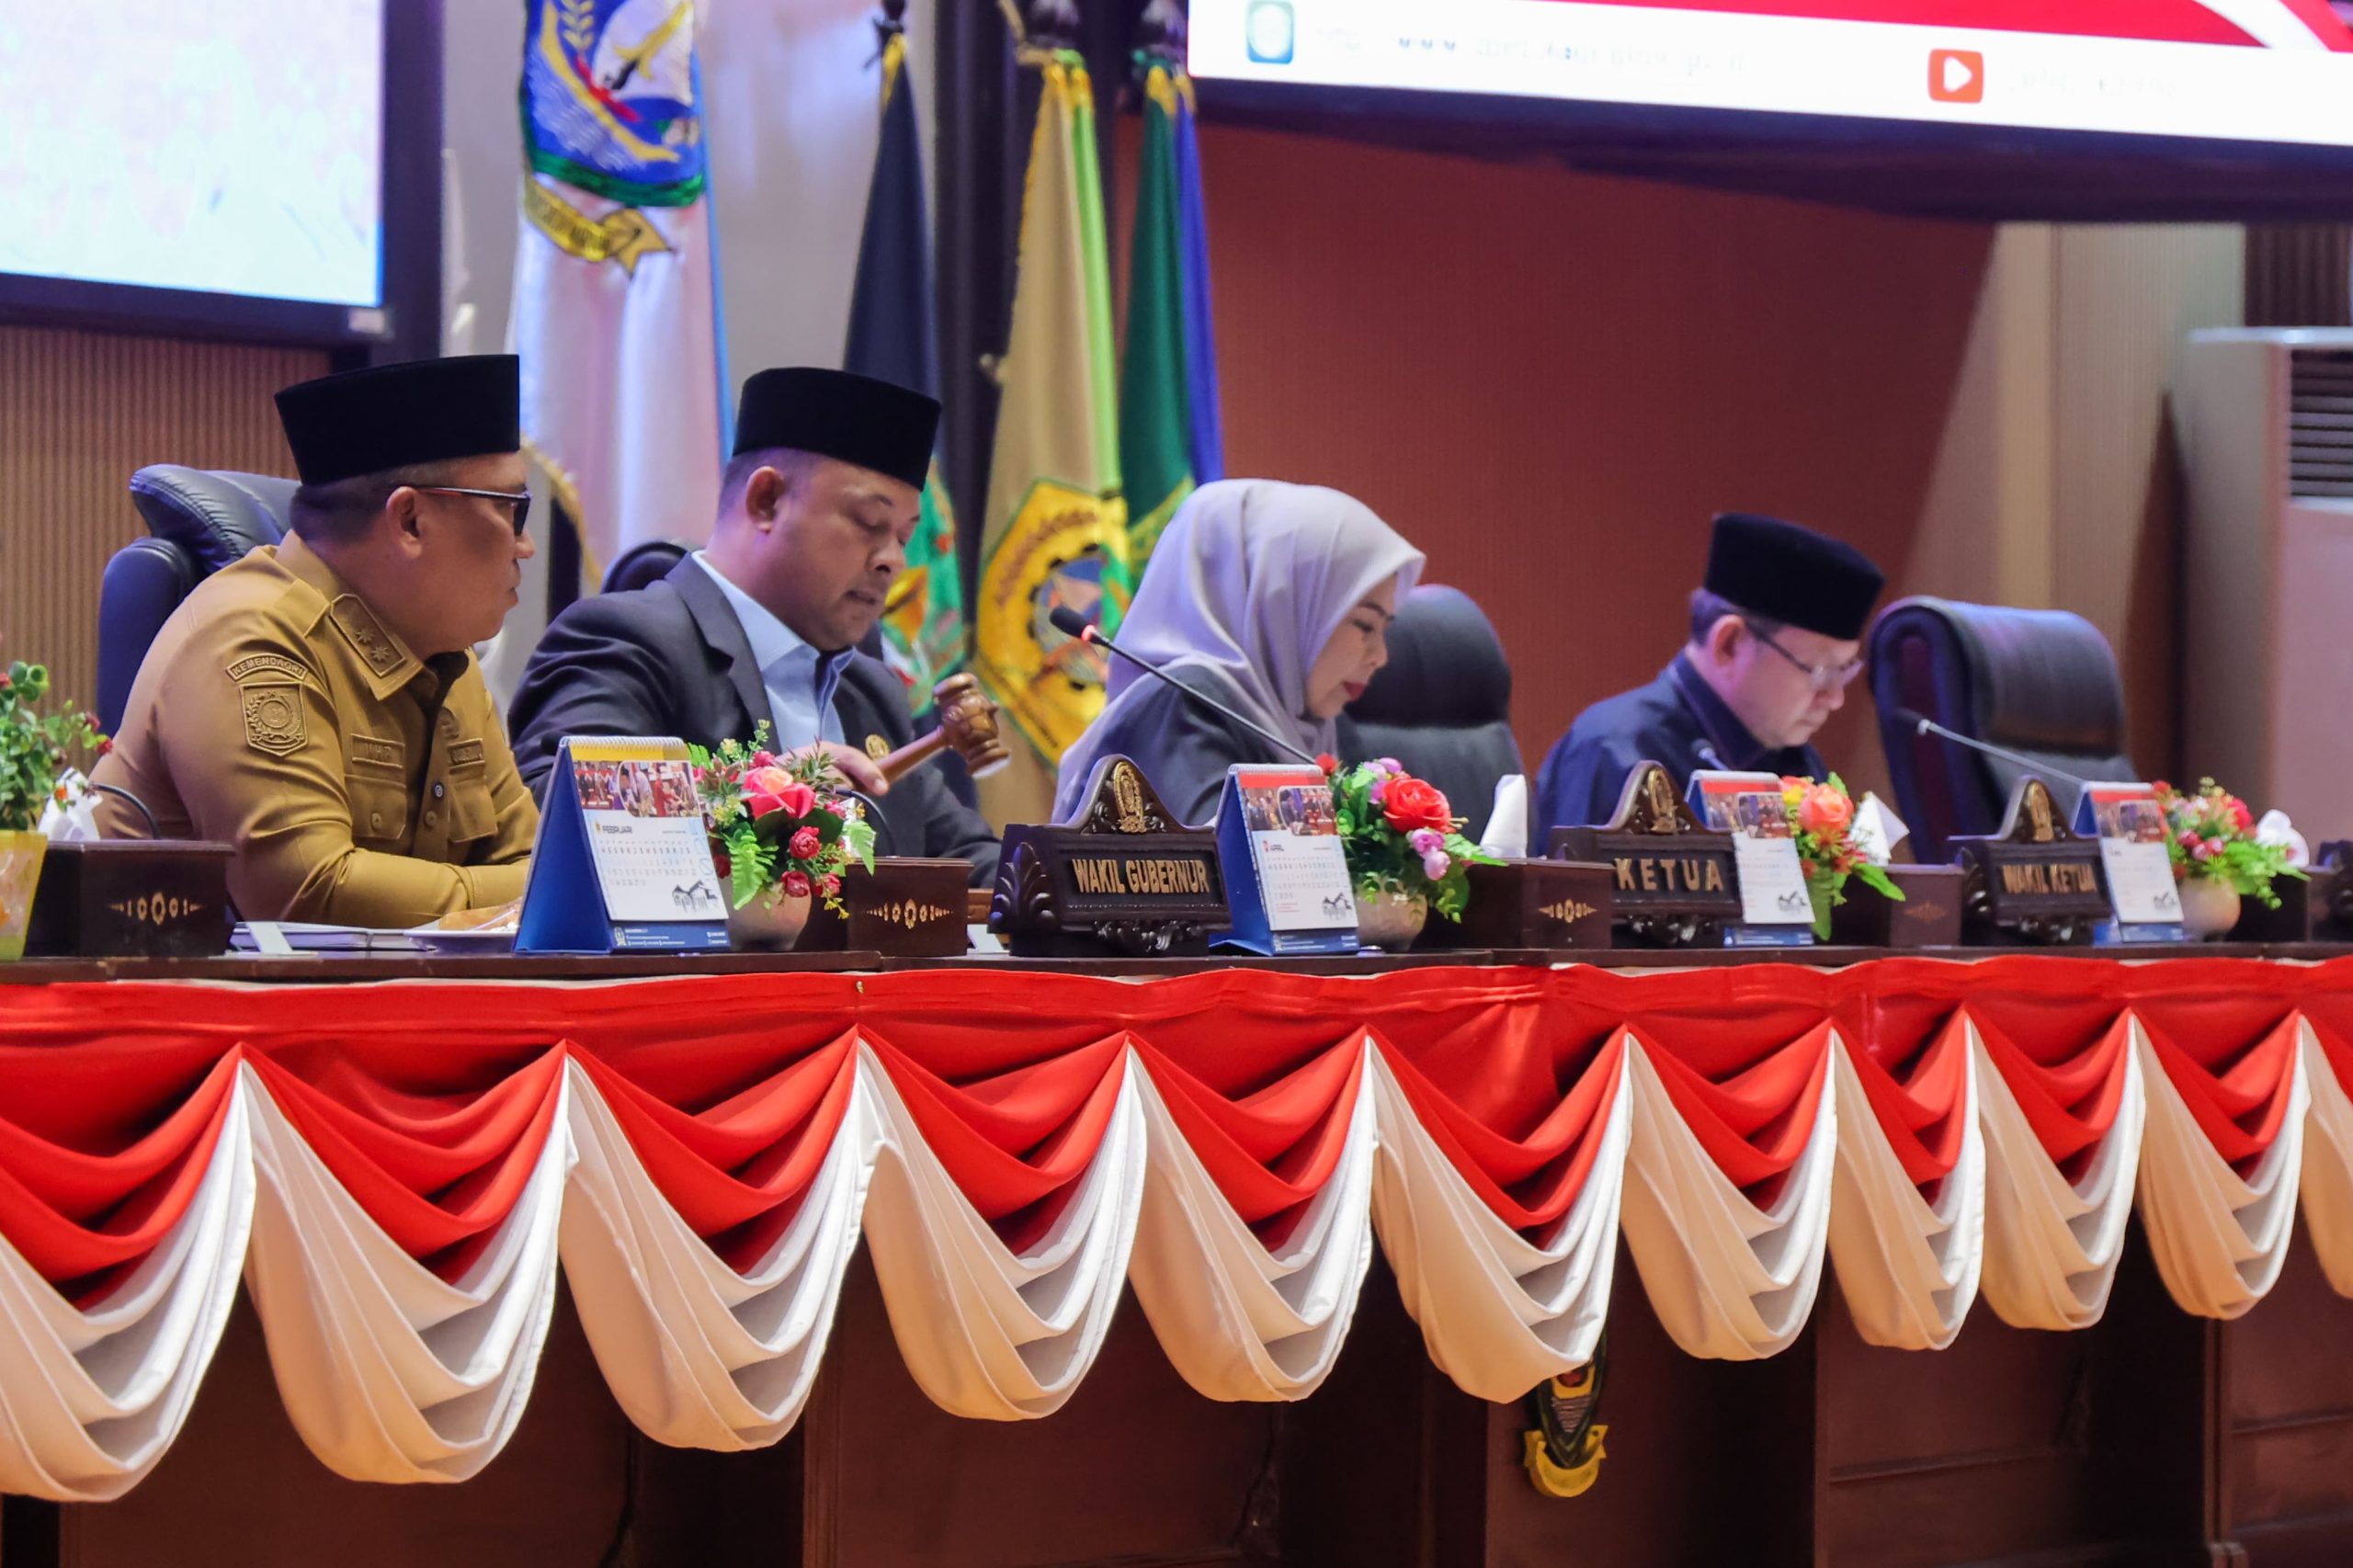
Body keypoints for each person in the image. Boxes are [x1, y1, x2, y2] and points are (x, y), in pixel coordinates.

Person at [506, 367, 1001, 883]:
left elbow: (971, 864)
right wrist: (765, 794)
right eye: (869, 524)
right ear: (766, 500)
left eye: (902, 538)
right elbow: (555, 819)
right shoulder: (628, 640)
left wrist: (1055, 866)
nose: (893, 562)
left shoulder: (869, 690)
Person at [93, 356, 540, 925]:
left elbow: (537, 863)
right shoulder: (252, 637)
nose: (525, 545)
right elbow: (308, 895)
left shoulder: (444, 656)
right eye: (510, 509)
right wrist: (528, 894)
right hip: (165, 979)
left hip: (391, 981)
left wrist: (535, 888)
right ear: (409, 520)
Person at [1051, 480, 1425, 826]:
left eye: (1384, 628)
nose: (1380, 656)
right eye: (1365, 625)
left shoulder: (1315, 719)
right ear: (1281, 607)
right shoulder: (1184, 704)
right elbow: (1227, 860)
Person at [1532, 511, 1884, 840]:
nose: (1835, 698)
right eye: (1819, 670)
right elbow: (1576, 887)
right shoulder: (1617, 751)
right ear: (1728, 644)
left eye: (1844, 671)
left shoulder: (1797, 762)